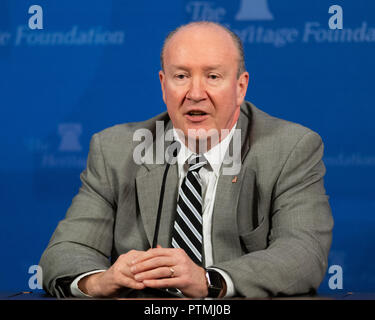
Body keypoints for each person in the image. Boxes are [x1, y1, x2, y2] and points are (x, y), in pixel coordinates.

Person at [39, 21, 333, 299]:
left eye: (213, 76)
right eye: (181, 76)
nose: (195, 94)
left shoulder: (290, 148)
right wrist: (100, 281)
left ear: (240, 87)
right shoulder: (115, 150)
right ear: (163, 85)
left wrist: (208, 280)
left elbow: (303, 254)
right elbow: (64, 251)